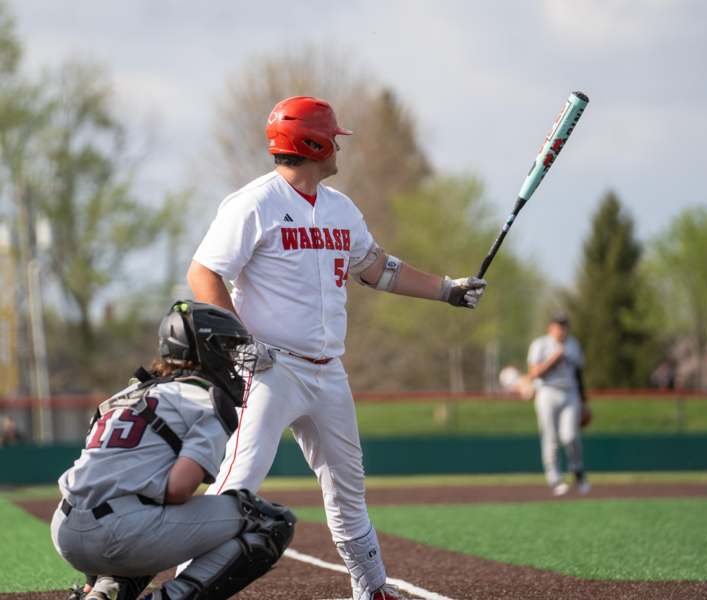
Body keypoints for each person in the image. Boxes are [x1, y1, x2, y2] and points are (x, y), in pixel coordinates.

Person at [184, 96, 487, 600]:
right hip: (270, 368)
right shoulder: (253, 203)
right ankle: (189, 587)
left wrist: (446, 290)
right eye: (332, 137)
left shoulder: (340, 207)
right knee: (238, 483)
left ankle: (370, 588)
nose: (338, 145)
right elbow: (204, 273)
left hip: (328, 371)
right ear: (312, 143)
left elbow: (377, 268)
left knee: (348, 489)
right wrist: (239, 345)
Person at [52, 301, 296, 600]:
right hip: (119, 532)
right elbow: (178, 490)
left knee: (147, 504)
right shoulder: (204, 398)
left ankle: (102, 592)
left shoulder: (128, 392)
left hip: (66, 529)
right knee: (270, 521)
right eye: (228, 347)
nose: (235, 360)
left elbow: (102, 474)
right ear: (204, 350)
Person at [527, 313, 590, 496]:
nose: (562, 329)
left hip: (570, 393)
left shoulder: (573, 344)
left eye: (565, 325)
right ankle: (554, 478)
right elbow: (533, 373)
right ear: (550, 327)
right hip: (547, 391)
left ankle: (577, 469)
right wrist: (554, 359)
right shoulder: (540, 344)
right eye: (558, 325)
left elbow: (579, 374)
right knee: (550, 437)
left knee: (570, 436)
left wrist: (584, 401)